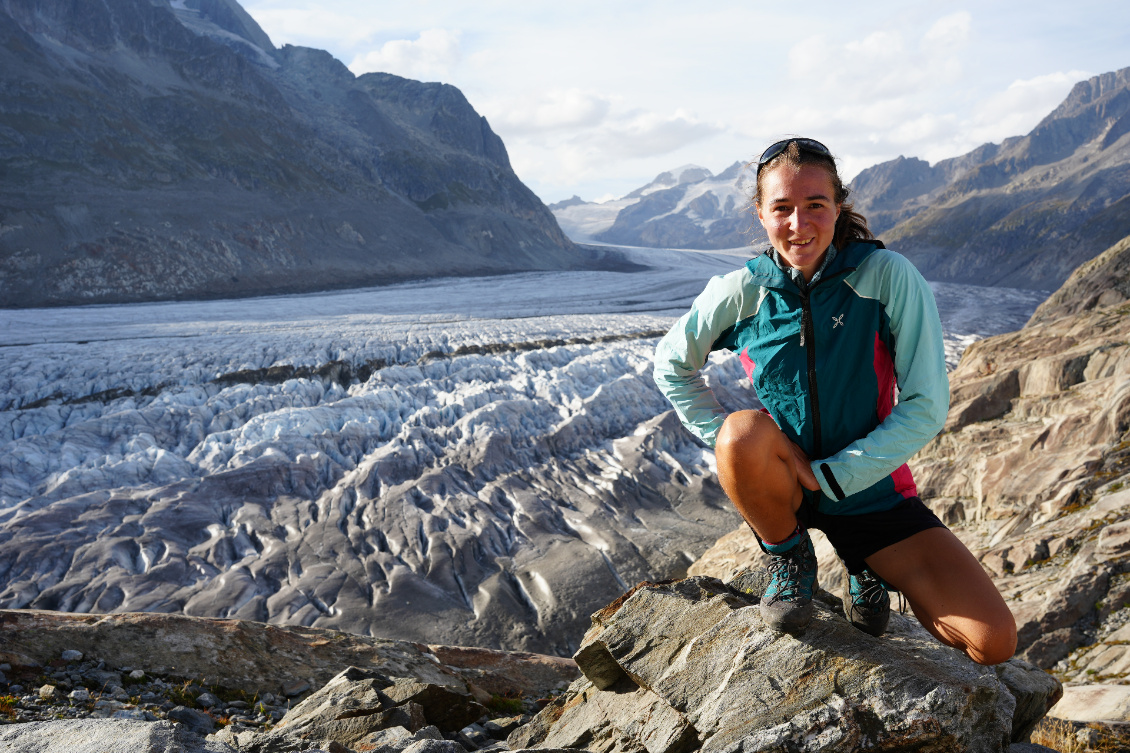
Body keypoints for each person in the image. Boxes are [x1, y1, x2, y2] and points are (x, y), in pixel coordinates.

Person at [653, 138, 1016, 665]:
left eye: (815, 205)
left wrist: (836, 474)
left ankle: (862, 564)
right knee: (740, 433)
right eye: (781, 208)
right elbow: (672, 365)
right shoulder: (743, 291)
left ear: (838, 206)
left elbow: (926, 404)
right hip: (788, 488)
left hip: (870, 491)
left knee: (993, 644)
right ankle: (788, 555)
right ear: (761, 214)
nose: (798, 223)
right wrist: (737, 450)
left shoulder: (885, 277)